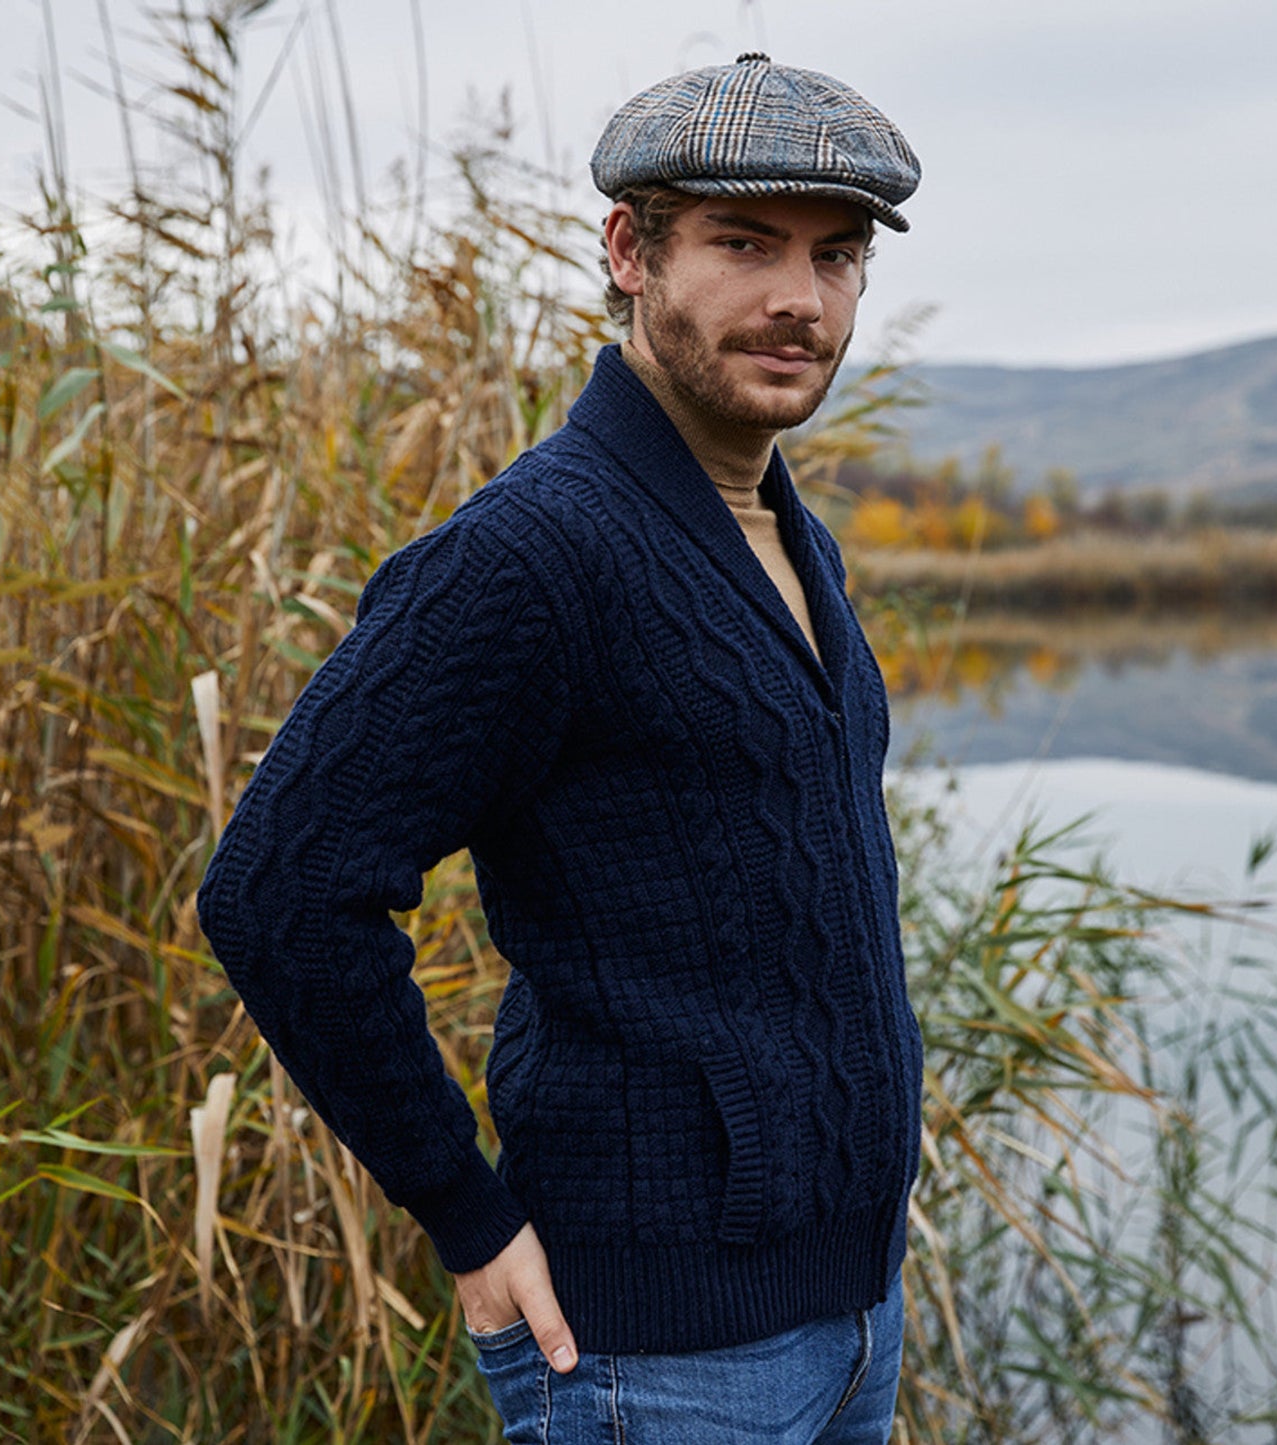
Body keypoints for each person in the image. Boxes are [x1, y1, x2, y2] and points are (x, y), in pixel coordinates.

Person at [198, 52, 924, 1444]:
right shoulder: (532, 556)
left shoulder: (782, 536)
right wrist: (466, 1214)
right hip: (654, 1354)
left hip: (847, 1321)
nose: (799, 298)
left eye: (835, 257)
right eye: (743, 243)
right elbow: (281, 890)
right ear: (627, 252)